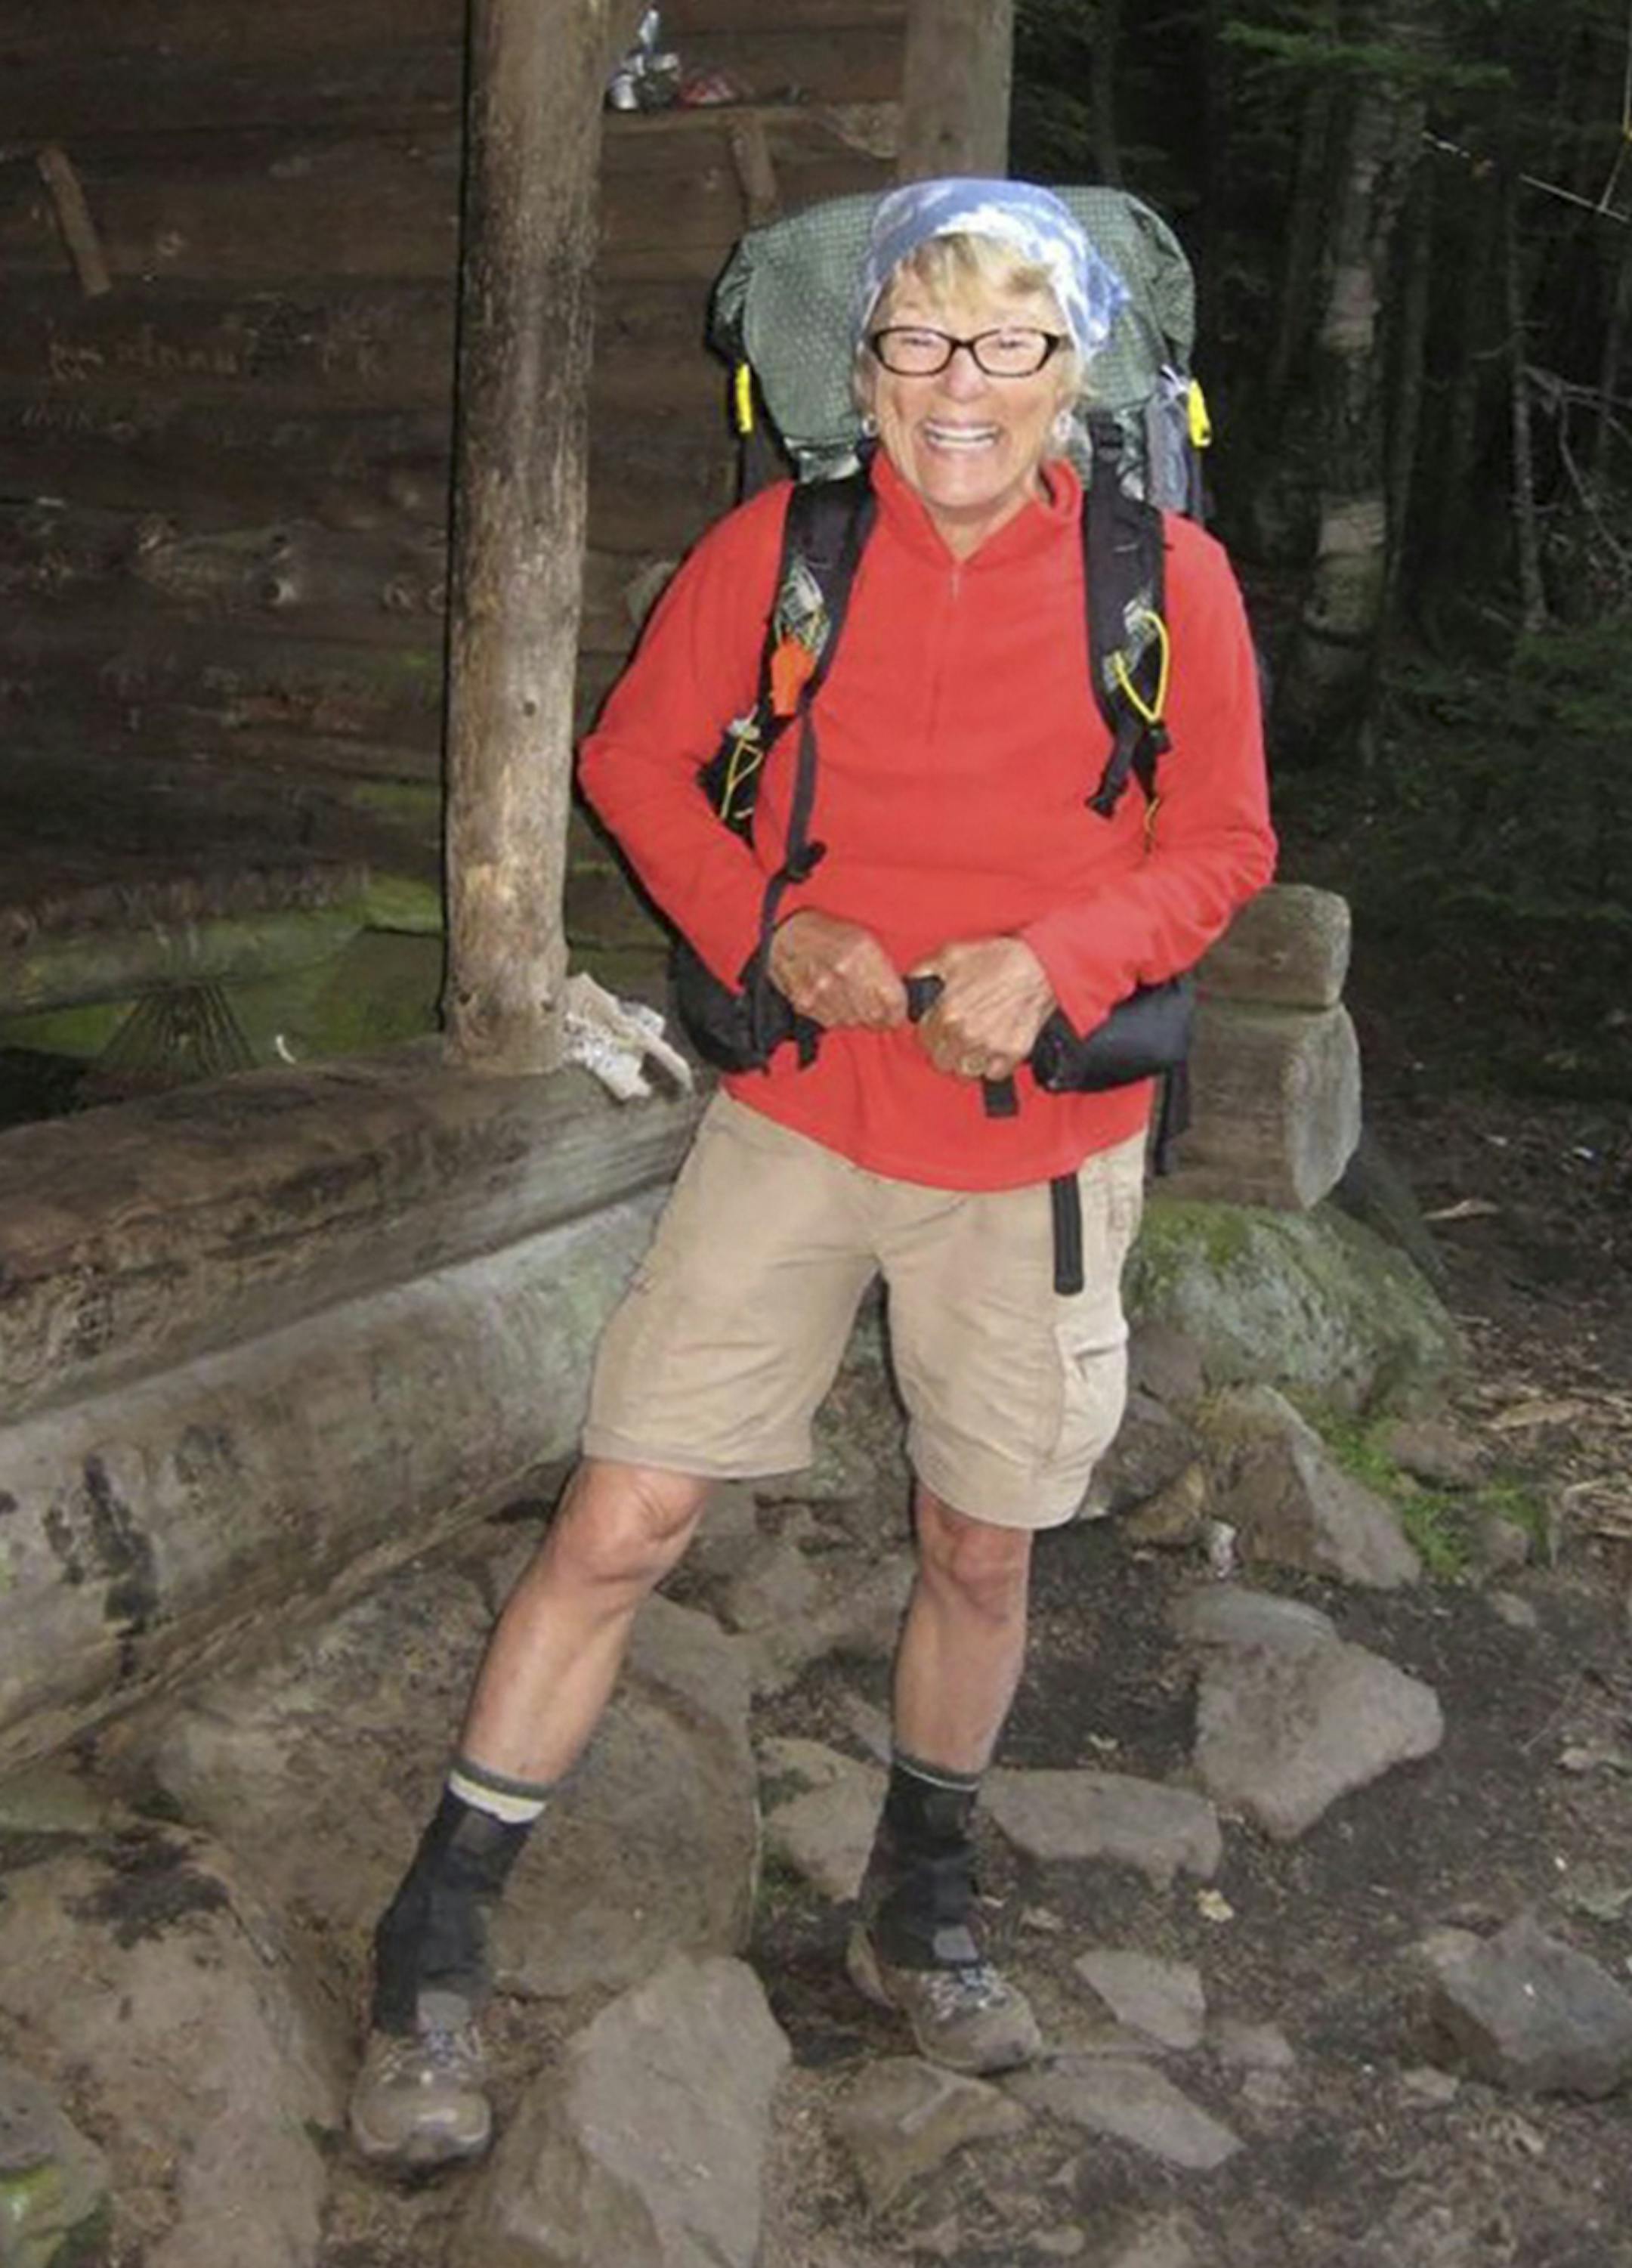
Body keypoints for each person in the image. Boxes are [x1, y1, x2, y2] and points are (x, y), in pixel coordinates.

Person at [348, 177, 1275, 2169]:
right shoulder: (786, 551)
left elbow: (1224, 841)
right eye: (920, 340)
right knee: (623, 1517)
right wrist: (773, 927)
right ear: (863, 372)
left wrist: (1056, 963)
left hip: (1037, 1146)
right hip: (797, 1116)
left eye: (1009, 343)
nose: (962, 384)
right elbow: (630, 759)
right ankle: (432, 1945)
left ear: (1072, 373)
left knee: (980, 1545)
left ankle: (917, 1912)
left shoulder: (1165, 583)